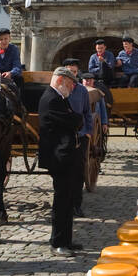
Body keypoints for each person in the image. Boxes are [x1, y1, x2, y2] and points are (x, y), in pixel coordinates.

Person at [38, 67, 84, 256]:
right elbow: (74, 120)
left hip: (65, 156)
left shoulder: (60, 98)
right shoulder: (51, 99)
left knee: (68, 200)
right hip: (58, 157)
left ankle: (67, 239)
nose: (73, 88)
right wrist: (76, 119)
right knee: (61, 201)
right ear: (61, 80)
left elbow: (73, 118)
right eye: (71, 83)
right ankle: (58, 242)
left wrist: (75, 118)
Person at [63, 60, 93, 217]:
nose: (71, 75)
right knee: (64, 172)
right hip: (64, 137)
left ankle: (77, 204)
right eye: (69, 71)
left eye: (74, 72)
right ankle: (64, 203)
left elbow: (88, 112)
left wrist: (88, 132)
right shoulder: (58, 90)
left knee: (79, 171)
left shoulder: (82, 90)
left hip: (80, 137)